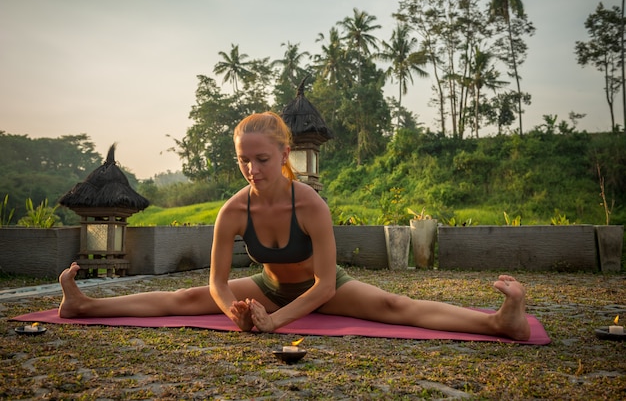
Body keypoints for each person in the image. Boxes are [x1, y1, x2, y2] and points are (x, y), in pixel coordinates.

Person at [58, 111, 530, 341]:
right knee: (184, 299)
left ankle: (498, 322)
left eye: (262, 159)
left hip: (322, 288)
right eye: (243, 160)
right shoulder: (232, 211)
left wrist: (275, 321)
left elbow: (325, 283)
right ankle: (85, 304)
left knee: (394, 304)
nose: (252, 169)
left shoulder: (310, 205)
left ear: (285, 155)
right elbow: (218, 284)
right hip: (267, 285)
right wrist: (236, 314)